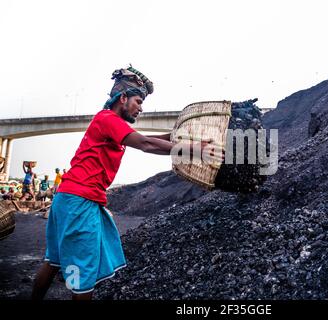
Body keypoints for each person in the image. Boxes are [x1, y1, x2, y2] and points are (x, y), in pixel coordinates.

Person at [31, 66, 222, 300]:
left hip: (67, 199)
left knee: (55, 260)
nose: (141, 108)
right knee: (82, 274)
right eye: (138, 101)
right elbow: (145, 144)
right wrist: (193, 150)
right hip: (79, 202)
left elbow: (149, 140)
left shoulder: (109, 123)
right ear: (123, 98)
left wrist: (185, 140)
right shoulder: (108, 119)